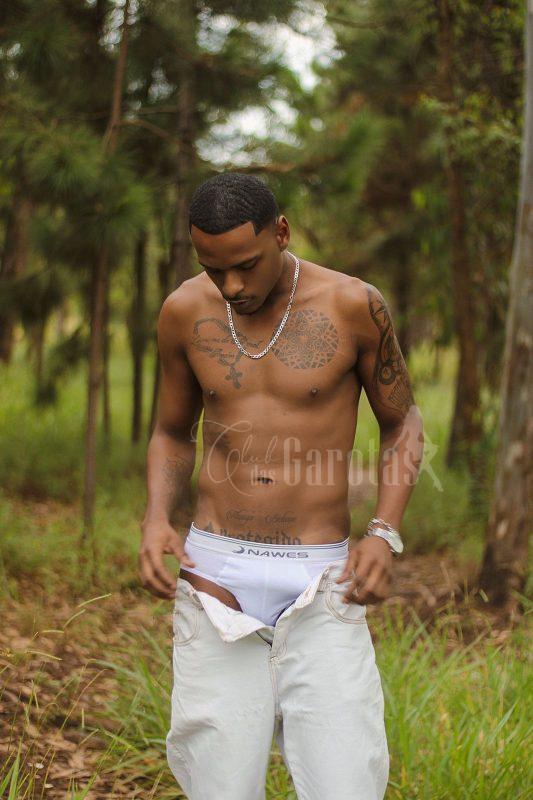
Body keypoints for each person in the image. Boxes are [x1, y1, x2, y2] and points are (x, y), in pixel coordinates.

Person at [139, 172, 424, 800]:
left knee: (346, 782)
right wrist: (156, 517)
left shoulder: (353, 305)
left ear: (282, 233)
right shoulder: (184, 311)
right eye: (214, 270)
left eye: (245, 265)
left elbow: (403, 423)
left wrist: (384, 532)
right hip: (214, 579)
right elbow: (171, 431)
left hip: (322, 581)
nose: (232, 287)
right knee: (219, 786)